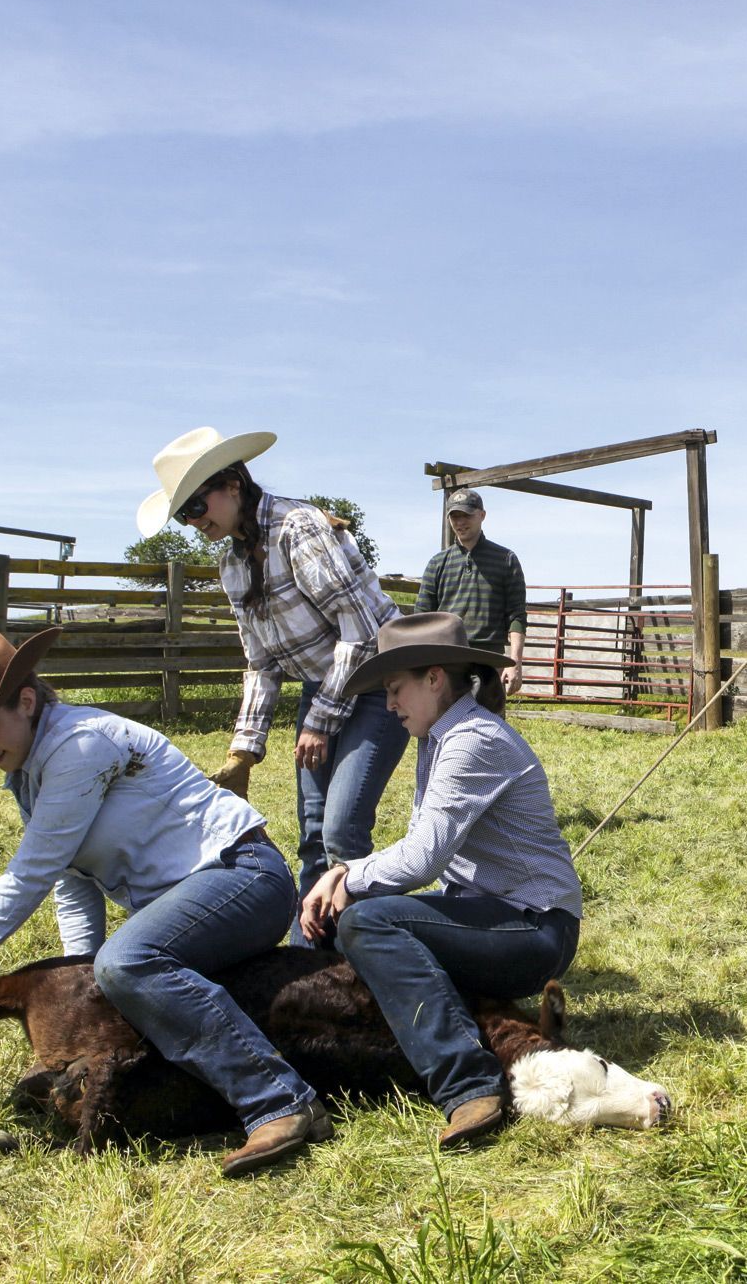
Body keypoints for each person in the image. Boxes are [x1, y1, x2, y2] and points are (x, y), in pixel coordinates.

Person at [0, 626, 331, 1177]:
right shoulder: (29, 772)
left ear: (25, 700)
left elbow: (33, 871)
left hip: (243, 877)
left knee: (130, 962)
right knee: (113, 972)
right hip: (199, 895)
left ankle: (280, 1100)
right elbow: (71, 881)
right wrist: (78, 974)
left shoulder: (79, 744)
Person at [298, 611, 582, 1150]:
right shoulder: (440, 738)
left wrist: (345, 872)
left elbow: (422, 860)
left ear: (433, 678)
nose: (389, 705)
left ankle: (470, 1083)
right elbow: (416, 849)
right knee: (341, 921)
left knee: (366, 923)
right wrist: (343, 883)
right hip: (495, 916)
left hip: (535, 928)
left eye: (395, 689)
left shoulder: (473, 739)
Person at [139, 428, 411, 949]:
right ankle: (313, 957)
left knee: (340, 830)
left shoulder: (298, 528)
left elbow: (361, 631)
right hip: (325, 687)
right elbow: (260, 662)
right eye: (184, 515)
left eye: (197, 506)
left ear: (234, 483)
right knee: (311, 831)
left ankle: (376, 954)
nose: (196, 523)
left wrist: (317, 720)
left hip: (381, 684)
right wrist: (244, 749)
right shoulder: (233, 563)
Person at [415, 488, 527, 697]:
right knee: (441, 724)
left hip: (489, 661)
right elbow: (422, 617)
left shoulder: (505, 559)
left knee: (487, 726)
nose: (460, 522)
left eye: (466, 515)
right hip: (446, 661)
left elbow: (516, 616)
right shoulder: (437, 563)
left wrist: (514, 663)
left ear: (482, 515)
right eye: (455, 516)